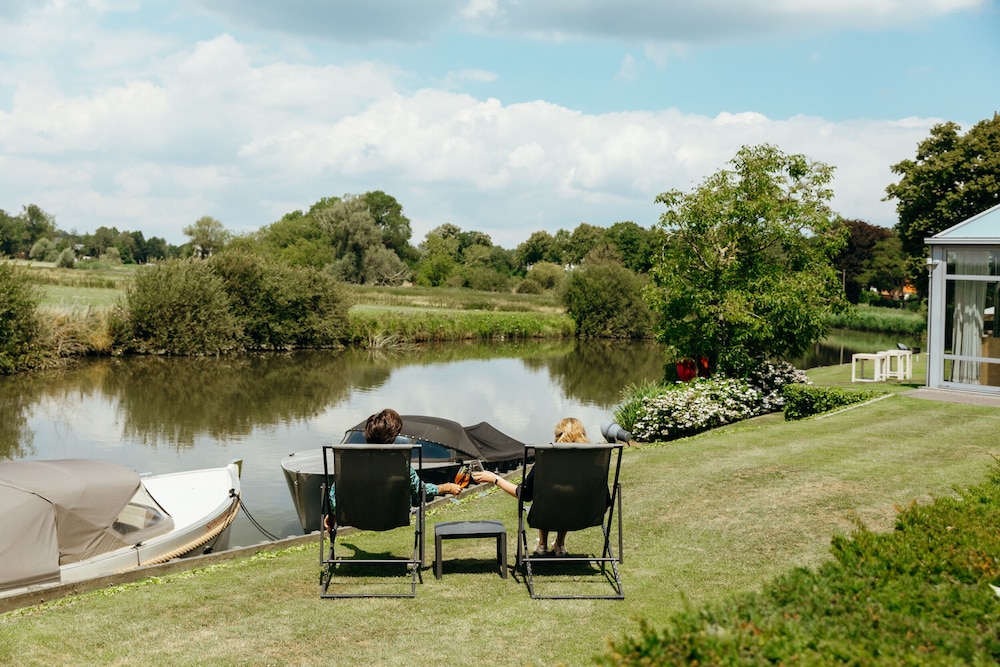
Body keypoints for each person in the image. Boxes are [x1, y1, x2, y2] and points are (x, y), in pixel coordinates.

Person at [324, 408, 462, 531]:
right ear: (392, 437)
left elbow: (335, 495)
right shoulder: (400, 464)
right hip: (393, 518)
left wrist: (334, 514)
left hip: (355, 518)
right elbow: (420, 492)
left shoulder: (351, 463)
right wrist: (447, 487)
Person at [473, 417, 589, 557]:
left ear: (559, 437)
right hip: (581, 515)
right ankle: (559, 545)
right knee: (567, 499)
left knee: (548, 499)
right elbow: (605, 498)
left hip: (545, 515)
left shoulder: (546, 461)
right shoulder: (591, 463)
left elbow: (524, 494)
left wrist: (495, 479)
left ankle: (542, 545)